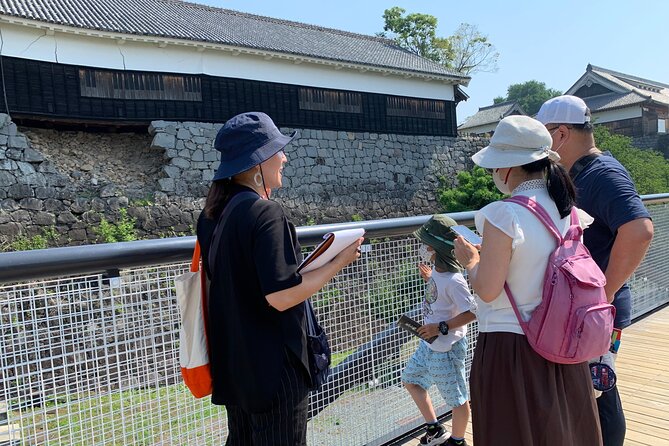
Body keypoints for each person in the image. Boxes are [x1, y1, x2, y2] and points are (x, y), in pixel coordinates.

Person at [196, 112, 363, 445]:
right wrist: (339, 261)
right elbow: (281, 295)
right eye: (278, 150)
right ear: (258, 162)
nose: (284, 157)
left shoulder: (212, 216)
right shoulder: (266, 213)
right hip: (275, 371)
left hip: (235, 364)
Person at [453, 115, 603, 445]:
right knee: (563, 432)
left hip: (512, 348)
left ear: (506, 168)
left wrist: (472, 261)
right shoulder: (571, 212)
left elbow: (488, 291)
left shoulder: (503, 213)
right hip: (564, 342)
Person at [537, 95, 654, 446]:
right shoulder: (578, 172)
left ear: (560, 134)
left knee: (599, 391)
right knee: (589, 389)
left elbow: (639, 230)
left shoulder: (603, 174)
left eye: (543, 135)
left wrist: (606, 293)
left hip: (600, 311)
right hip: (588, 309)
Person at [402, 215, 476, 446]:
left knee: (457, 399)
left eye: (426, 244)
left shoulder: (455, 281)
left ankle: (457, 441)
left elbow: (473, 312)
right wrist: (429, 279)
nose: (423, 248)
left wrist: (440, 327)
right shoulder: (438, 272)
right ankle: (434, 428)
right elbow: (442, 299)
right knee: (410, 380)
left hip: (447, 348)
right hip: (429, 344)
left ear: (434, 248)